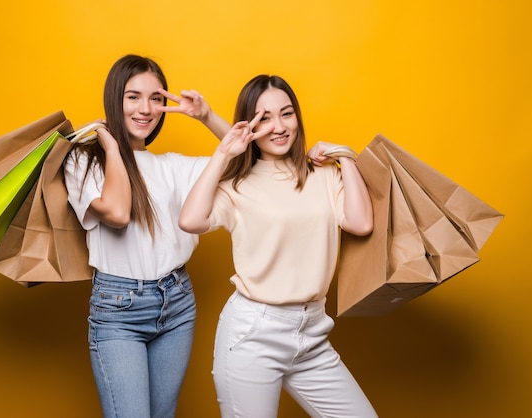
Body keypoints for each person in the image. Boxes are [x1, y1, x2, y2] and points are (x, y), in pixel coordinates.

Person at [178, 74, 378, 418]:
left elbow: (361, 223)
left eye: (287, 114)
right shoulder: (238, 186)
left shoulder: (324, 176)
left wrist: (345, 157)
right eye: (265, 118)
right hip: (254, 333)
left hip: (312, 332)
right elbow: (190, 220)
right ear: (249, 126)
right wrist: (224, 152)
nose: (279, 126)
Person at [63, 54, 230, 418]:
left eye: (156, 98)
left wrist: (206, 117)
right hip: (118, 309)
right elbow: (118, 214)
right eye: (133, 96)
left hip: (177, 302)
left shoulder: (173, 166)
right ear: (114, 100)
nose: (146, 108)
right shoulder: (82, 161)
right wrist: (110, 147)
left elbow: (247, 156)